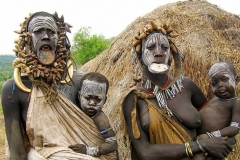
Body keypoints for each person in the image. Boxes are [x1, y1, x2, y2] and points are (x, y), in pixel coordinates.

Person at [1, 11, 113, 160]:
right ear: (27, 40)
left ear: (60, 40)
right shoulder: (14, 89)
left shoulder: (79, 82)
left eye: (51, 32)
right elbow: (18, 153)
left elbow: (97, 135)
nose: (46, 36)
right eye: (38, 31)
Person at [121, 20, 233, 159]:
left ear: (170, 55)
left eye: (164, 47)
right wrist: (199, 146)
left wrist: (222, 140)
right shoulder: (133, 98)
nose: (158, 53)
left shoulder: (187, 86)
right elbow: (145, 152)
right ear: (140, 57)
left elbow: (212, 123)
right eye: (150, 47)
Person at [193, 61, 240, 160]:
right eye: (214, 83)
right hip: (199, 139)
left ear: (236, 80)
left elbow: (235, 128)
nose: (220, 85)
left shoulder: (236, 103)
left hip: (212, 142)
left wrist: (211, 135)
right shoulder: (214, 99)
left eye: (224, 79)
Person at [69, 72, 117, 158]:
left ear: (105, 100)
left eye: (98, 99)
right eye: (87, 97)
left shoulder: (100, 119)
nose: (92, 103)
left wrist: (88, 151)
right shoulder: (68, 109)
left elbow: (112, 144)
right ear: (79, 96)